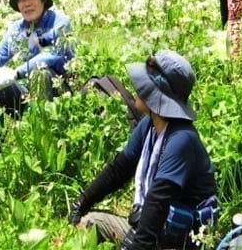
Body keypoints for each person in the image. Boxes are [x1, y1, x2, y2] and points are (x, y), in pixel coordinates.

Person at [68, 50, 217, 249]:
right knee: (86, 223)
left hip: (180, 240)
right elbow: (118, 170)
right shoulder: (149, 125)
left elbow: (158, 201)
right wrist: (82, 202)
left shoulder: (182, 139)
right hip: (154, 231)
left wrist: (137, 246)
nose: (136, 88)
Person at [0, 0, 74, 158]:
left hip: (62, 95)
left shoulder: (60, 23)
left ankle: (43, 138)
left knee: (42, 73)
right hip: (29, 96)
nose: (26, 3)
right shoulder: (17, 29)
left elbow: (51, 55)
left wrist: (16, 72)